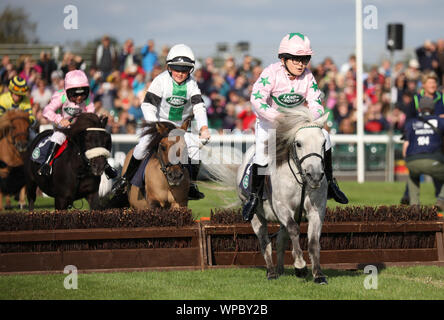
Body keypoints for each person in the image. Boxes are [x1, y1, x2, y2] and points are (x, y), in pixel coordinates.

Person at [242, 32, 348, 222]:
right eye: (296, 59)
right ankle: (254, 197)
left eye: (305, 59)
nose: (301, 64)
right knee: (261, 155)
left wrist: (310, 120)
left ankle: (331, 184)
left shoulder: (308, 77)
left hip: (299, 126)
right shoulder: (270, 73)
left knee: (326, 137)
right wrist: (278, 118)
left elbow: (316, 103)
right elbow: (256, 99)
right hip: (271, 125)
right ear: (283, 59)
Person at [112, 44, 211, 200]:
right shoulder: (161, 81)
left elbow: (199, 107)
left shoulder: (192, 84)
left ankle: (191, 185)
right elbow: (147, 104)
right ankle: (124, 181)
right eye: (176, 69)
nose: (180, 73)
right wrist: (155, 126)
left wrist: (204, 127)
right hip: (159, 126)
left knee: (195, 151)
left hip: (180, 129)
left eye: (184, 70)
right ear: (169, 67)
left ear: (190, 70)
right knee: (141, 147)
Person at [37, 70, 117, 179]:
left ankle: (106, 166)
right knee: (58, 137)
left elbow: (90, 113)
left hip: (81, 129)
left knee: (99, 137)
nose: (79, 98)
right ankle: (47, 163)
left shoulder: (88, 99)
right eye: (75, 94)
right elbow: (47, 110)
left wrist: (99, 118)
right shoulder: (61, 96)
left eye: (82, 94)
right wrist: (60, 119)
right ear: (68, 91)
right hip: (64, 128)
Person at [400, 71, 444, 204]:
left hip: (439, 140)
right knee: (419, 168)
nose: (433, 85)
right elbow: (408, 122)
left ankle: (437, 197)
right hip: (420, 137)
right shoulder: (415, 100)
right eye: (430, 82)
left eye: (434, 82)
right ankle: (408, 197)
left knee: (427, 166)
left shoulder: (441, 98)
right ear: (423, 84)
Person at [0, 76, 37, 140]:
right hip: (6, 126)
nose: (18, 97)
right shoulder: (3, 99)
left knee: (33, 136)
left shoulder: (26, 100)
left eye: (20, 95)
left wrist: (31, 121)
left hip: (21, 127)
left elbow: (31, 116)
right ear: (11, 92)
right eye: (16, 94)